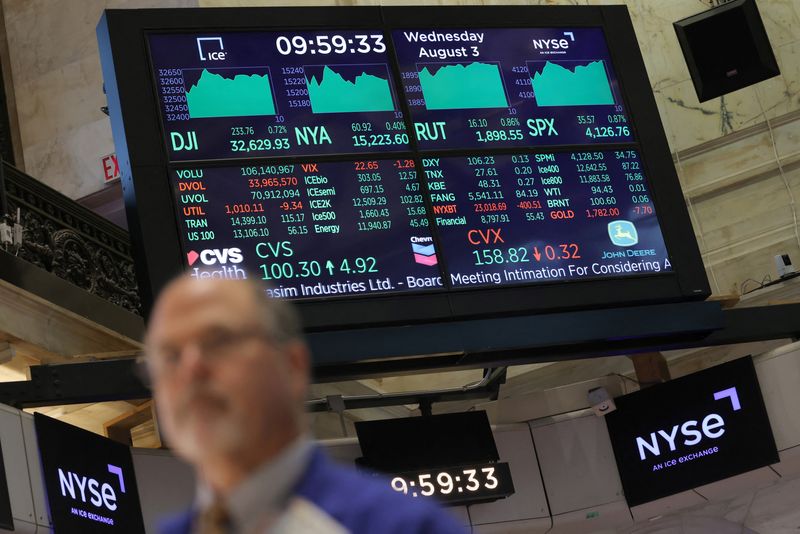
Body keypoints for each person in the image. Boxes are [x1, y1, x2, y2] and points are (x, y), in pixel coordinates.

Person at [144, 275, 466, 534]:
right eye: (169, 356)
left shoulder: (401, 526)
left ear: (293, 366)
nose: (190, 371)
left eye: (219, 341)